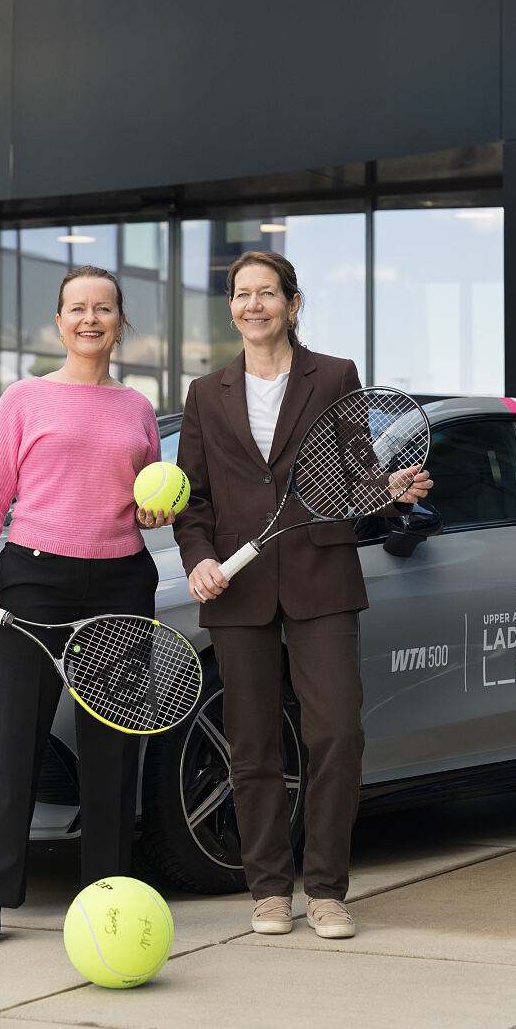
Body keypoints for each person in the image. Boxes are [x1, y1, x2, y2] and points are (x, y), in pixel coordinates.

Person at [174, 251, 431, 941]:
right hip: (239, 585)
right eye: (241, 294)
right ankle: (267, 890)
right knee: (251, 745)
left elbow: (355, 479)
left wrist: (392, 493)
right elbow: (190, 501)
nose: (253, 305)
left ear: (293, 302)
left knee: (336, 734)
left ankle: (324, 889)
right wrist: (198, 559)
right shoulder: (205, 394)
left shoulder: (334, 377)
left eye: (266, 293)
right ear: (230, 306)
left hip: (322, 577)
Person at [0, 265, 174, 949]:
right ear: (59, 322)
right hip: (32, 582)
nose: (90, 319)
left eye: (103, 309)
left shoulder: (139, 408)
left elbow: (145, 504)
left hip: (120, 583)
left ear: (120, 322)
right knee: (14, 738)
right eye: (77, 309)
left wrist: (150, 511)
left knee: (111, 749)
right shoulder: (23, 399)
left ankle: (107, 899)